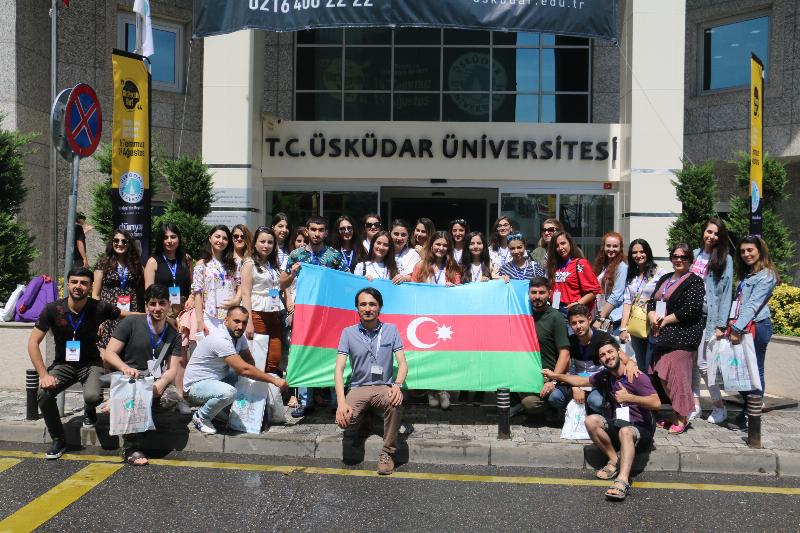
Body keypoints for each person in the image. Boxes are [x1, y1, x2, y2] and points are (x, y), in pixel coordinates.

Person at [544, 337, 661, 501]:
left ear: (619, 353)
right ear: (600, 360)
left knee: (627, 431)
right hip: (619, 426)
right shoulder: (606, 376)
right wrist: (555, 375)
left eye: (610, 352)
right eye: (603, 355)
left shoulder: (636, 376)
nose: (608, 357)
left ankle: (622, 480)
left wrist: (630, 397)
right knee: (590, 421)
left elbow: (656, 403)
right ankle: (614, 459)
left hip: (640, 431)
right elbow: (582, 380)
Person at [27, 268, 123, 459]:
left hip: (91, 363)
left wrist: (153, 317)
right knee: (43, 394)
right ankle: (58, 439)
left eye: (84, 282)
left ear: (90, 286)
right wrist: (44, 375)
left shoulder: (99, 307)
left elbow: (124, 314)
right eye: (75, 282)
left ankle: (90, 408)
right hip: (64, 365)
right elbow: (33, 343)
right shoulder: (53, 309)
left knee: (93, 396)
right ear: (68, 284)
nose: (79, 286)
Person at [102, 284, 183, 465]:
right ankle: (131, 447)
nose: (157, 308)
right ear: (146, 306)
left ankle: (118, 405)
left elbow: (172, 369)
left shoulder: (174, 335)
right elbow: (109, 353)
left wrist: (161, 383)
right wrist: (124, 368)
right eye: (152, 304)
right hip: (130, 379)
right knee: (134, 396)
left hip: (152, 380)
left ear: (169, 305)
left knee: (172, 397)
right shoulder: (131, 323)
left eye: (162, 303)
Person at [335, 288, 408, 475]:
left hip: (383, 386)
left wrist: (397, 387)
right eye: (363, 304)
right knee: (344, 421)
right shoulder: (348, 333)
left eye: (372, 304)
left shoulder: (391, 330)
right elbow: (339, 369)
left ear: (380, 307)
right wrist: (341, 403)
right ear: (357, 308)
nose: (368, 308)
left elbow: (402, 364)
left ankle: (387, 453)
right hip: (358, 387)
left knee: (396, 402)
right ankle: (365, 417)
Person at [281, 216, 349, 416]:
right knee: (303, 353)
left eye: (321, 230)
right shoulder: (296, 255)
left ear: (326, 232)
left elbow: (346, 281)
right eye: (313, 229)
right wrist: (292, 273)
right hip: (305, 314)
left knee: (333, 354)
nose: (317, 233)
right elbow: (282, 284)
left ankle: (337, 401)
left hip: (330, 314)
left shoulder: (334, 256)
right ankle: (304, 401)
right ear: (307, 231)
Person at [184, 306, 288, 434]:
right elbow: (244, 369)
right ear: (226, 320)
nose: (240, 326)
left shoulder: (239, 337)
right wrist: (274, 380)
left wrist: (253, 378)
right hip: (195, 386)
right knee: (229, 392)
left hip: (216, 379)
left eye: (244, 322)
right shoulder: (221, 339)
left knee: (243, 379)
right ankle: (201, 416)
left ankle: (218, 411)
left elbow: (249, 362)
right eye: (236, 321)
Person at [646, 243, 706, 435]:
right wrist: (652, 317)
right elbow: (651, 303)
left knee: (677, 377)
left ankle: (682, 416)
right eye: (675, 256)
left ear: (690, 260)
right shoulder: (664, 278)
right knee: (662, 375)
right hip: (663, 336)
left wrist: (665, 320)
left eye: (683, 257)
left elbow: (691, 310)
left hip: (683, 337)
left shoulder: (694, 281)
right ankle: (676, 413)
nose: (679, 260)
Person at [728, 235, 778, 442]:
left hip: (756, 326)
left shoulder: (767, 275)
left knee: (754, 371)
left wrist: (736, 328)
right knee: (740, 371)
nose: (747, 254)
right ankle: (749, 410)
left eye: (750, 250)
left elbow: (753, 305)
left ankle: (750, 415)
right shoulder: (748, 274)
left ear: (760, 251)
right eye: (743, 251)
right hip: (744, 326)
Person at [549, 305, 639, 415]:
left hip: (598, 381)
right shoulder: (570, 340)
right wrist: (575, 387)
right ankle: (572, 413)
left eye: (581, 321)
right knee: (555, 397)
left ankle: (601, 412)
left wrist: (631, 364)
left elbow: (625, 359)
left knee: (595, 402)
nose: (578, 326)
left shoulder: (604, 337)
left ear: (589, 319)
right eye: (574, 323)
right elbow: (567, 369)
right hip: (576, 380)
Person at [411, 230, 460, 410]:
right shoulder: (420, 266)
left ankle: (442, 389)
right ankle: (432, 390)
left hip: (446, 318)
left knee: (443, 355)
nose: (441, 248)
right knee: (427, 355)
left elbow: (459, 290)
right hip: (424, 317)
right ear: (431, 245)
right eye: (438, 244)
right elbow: (412, 290)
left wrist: (453, 287)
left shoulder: (453, 267)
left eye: (445, 245)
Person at [690, 218, 733, 424]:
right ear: (703, 232)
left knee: (704, 365)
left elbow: (726, 294)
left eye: (716, 234)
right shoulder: (696, 254)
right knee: (692, 365)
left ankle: (719, 406)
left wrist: (720, 324)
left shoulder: (726, 259)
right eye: (709, 232)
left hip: (710, 318)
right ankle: (695, 406)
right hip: (691, 316)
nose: (711, 236)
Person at [518, 277, 570, 419]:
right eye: (533, 292)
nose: (537, 297)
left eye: (542, 292)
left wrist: (554, 380)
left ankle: (554, 409)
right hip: (527, 376)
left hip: (548, 377)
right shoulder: (522, 314)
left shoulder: (555, 317)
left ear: (550, 294)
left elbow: (565, 353)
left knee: (530, 403)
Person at [93, 229, 145, 360]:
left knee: (129, 350)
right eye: (116, 240)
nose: (120, 244)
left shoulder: (137, 265)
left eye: (124, 241)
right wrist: (98, 320)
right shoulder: (102, 263)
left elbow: (144, 291)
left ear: (129, 244)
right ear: (111, 243)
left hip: (131, 313)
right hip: (109, 315)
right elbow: (96, 294)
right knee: (108, 353)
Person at [619, 239, 668, 370]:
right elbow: (627, 302)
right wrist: (623, 328)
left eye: (642, 251)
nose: (638, 255)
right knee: (640, 365)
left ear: (648, 253)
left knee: (651, 365)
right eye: (634, 252)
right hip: (636, 325)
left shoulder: (659, 273)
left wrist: (660, 321)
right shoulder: (631, 274)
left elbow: (664, 298)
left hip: (654, 325)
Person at [241, 227, 284, 374]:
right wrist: (249, 322)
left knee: (275, 357)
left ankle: (269, 392)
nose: (266, 245)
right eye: (262, 241)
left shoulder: (273, 264)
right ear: (254, 244)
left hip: (274, 312)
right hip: (256, 312)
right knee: (258, 356)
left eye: (270, 242)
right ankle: (255, 394)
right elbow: (245, 293)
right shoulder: (249, 263)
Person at [192, 225, 241, 338]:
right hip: (209, 316)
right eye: (217, 237)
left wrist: (236, 300)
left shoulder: (234, 264)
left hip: (230, 315)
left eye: (225, 238)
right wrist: (200, 322)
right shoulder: (202, 264)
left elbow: (240, 285)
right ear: (210, 238)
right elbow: (197, 294)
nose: (220, 241)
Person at [144, 222, 193, 324]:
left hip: (185, 310)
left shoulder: (186, 259)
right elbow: (148, 294)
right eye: (165, 238)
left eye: (173, 237)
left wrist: (192, 298)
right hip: (162, 311)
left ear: (179, 238)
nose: (169, 241)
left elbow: (193, 286)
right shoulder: (153, 262)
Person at [547, 231, 602, 317]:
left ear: (570, 243)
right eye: (557, 246)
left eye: (563, 243)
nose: (560, 248)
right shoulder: (556, 266)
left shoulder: (580, 263)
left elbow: (594, 291)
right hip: (556, 310)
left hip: (572, 311)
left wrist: (577, 304)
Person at [593, 232, 628, 336]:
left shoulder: (622, 267)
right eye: (608, 245)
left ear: (620, 248)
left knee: (612, 348)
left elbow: (616, 295)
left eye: (615, 246)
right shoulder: (604, 265)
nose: (611, 249)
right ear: (603, 246)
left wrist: (600, 319)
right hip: (603, 314)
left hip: (612, 317)